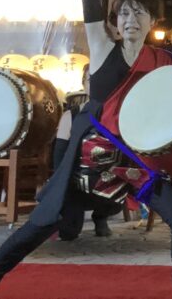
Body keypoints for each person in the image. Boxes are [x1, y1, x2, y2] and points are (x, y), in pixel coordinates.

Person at [0, 0, 172, 299]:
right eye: (124, 13)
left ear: (152, 21)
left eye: (139, 12)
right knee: (40, 225)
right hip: (90, 159)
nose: (131, 19)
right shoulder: (102, 46)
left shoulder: (165, 61)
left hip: (136, 161)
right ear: (115, 23)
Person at [52, 65, 121, 240]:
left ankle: (101, 215)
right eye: (91, 79)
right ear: (84, 84)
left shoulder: (116, 115)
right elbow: (59, 155)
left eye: (101, 79)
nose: (96, 83)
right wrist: (60, 187)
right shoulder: (71, 115)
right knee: (68, 233)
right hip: (76, 181)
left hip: (106, 177)